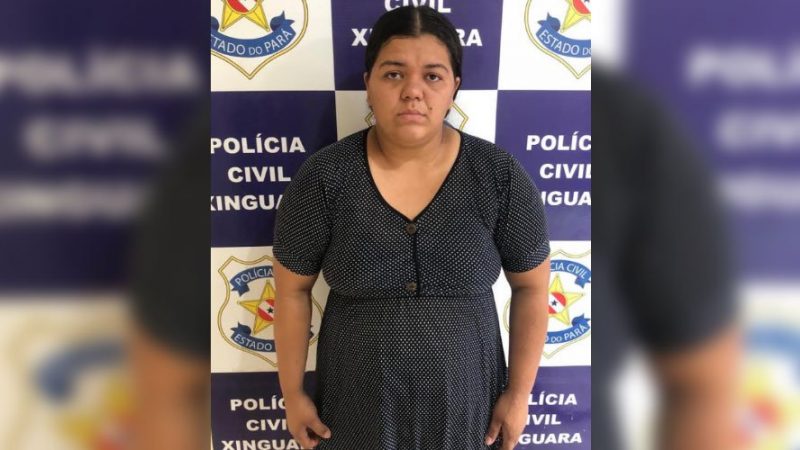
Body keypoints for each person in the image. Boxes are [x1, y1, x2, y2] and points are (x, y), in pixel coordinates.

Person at [272, 6, 551, 450]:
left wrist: (519, 396)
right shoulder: (325, 177)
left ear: (454, 87)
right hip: (353, 411)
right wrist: (292, 394)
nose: (413, 92)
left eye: (433, 76)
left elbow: (533, 288)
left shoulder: (498, 175)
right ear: (368, 84)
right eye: (394, 74)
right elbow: (291, 291)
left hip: (468, 412)